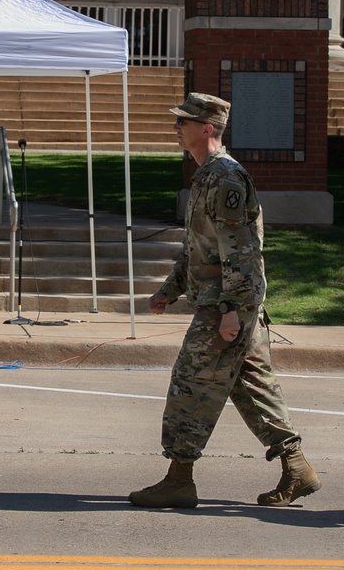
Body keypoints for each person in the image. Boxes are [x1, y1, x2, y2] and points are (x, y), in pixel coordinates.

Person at [128, 93, 321, 509]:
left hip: (226, 305)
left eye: (184, 121)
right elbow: (201, 248)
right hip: (227, 301)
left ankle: (179, 479)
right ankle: (297, 467)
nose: (176, 127)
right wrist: (170, 289)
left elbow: (239, 250)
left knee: (190, 384)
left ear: (207, 128)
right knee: (252, 386)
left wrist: (231, 309)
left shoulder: (225, 179)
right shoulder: (206, 176)